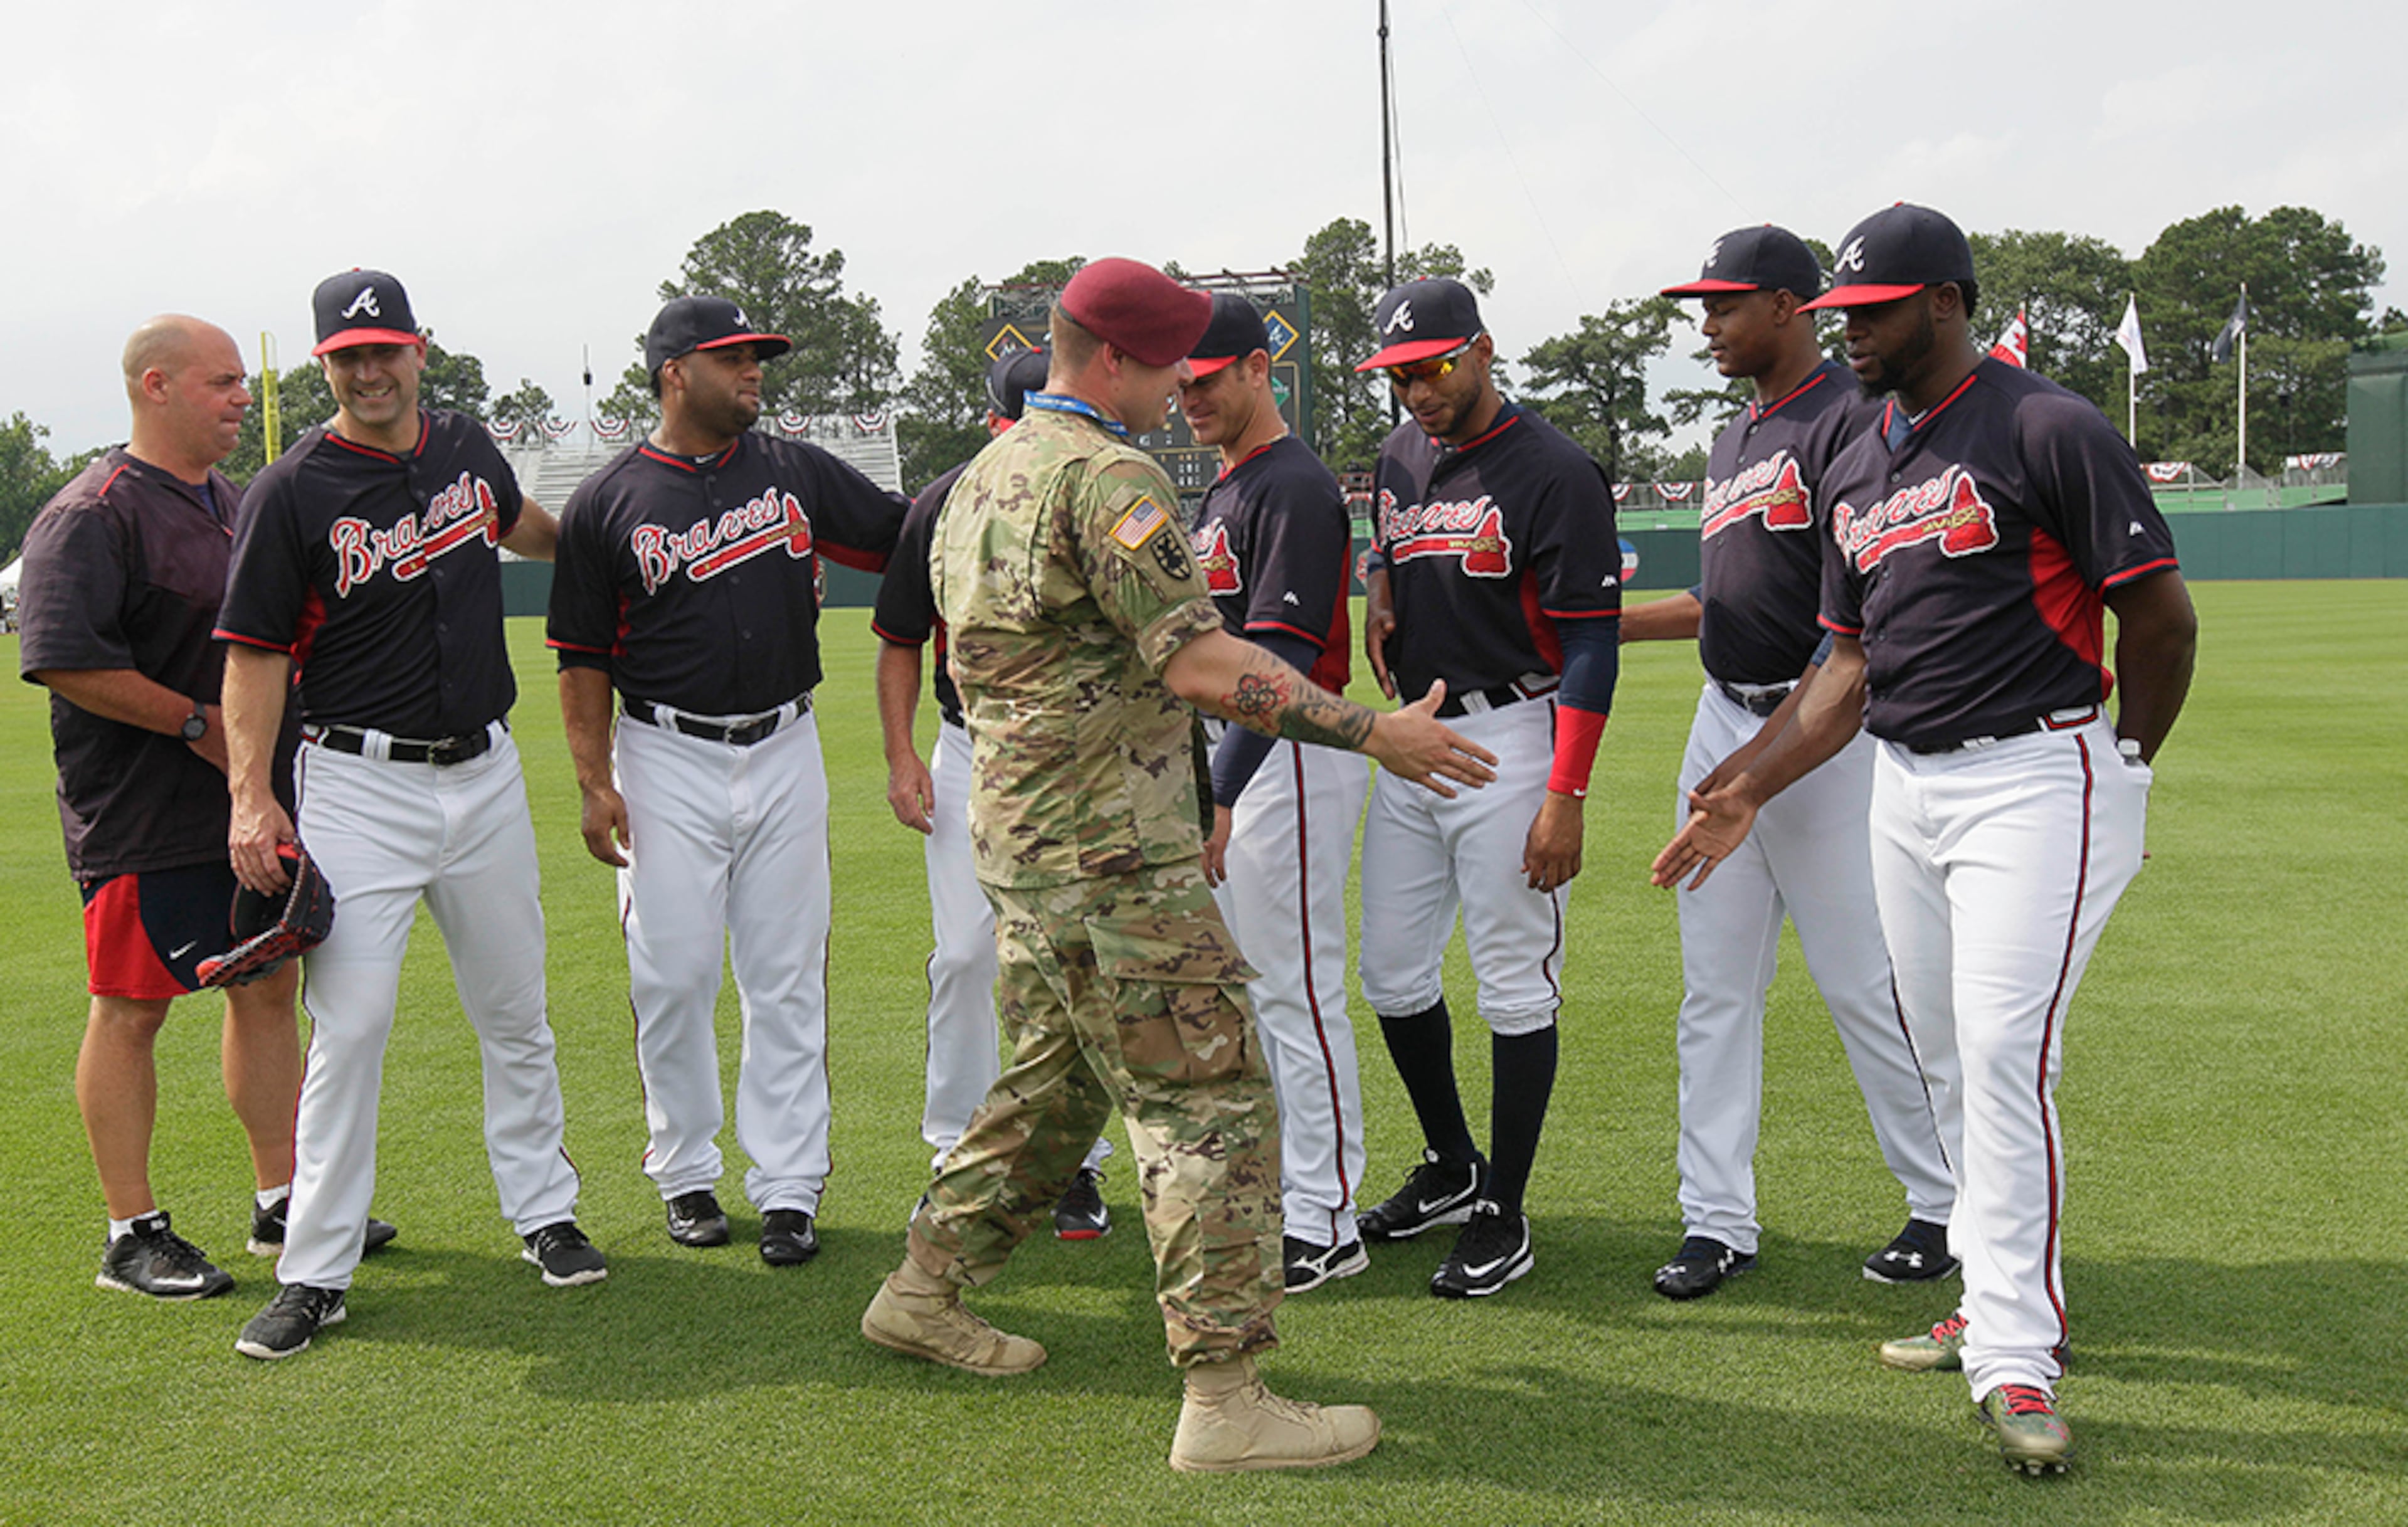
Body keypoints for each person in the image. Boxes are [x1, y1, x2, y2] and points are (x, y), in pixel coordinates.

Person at [857, 257, 1495, 1472]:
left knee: (1055, 1090)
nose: (1179, 389)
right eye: (1168, 367)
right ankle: (1226, 1394)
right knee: (1210, 1100)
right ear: (1112, 362)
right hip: (1112, 855)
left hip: (1023, 847)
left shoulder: (985, 472)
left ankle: (924, 1289)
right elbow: (1201, 665)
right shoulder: (1110, 478)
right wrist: (1377, 731)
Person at [1653, 203, 2197, 1474]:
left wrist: (2122, 768)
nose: (1853, 334)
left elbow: (2160, 621)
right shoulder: (1862, 458)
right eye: (1841, 312)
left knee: (2006, 1053)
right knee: (1945, 1052)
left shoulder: (2048, 424)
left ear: (1946, 301)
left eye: (1876, 311)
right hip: (1902, 779)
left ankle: (2017, 1350)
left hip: (2035, 766)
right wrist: (1749, 781)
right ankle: (1986, 1287)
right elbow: (1845, 664)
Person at [219, 270, 601, 1361]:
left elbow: (529, 528)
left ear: (420, 349)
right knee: (353, 1028)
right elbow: (248, 656)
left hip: (483, 774)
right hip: (357, 783)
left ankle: (544, 1213)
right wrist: (253, 795)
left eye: (384, 349)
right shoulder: (290, 489)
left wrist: (630, 548)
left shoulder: (466, 448)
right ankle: (316, 1271)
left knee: (515, 1008)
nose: (369, 370)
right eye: (346, 357)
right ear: (322, 368)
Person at [18, 315, 393, 1300]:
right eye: (224, 383)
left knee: (263, 986)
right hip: (142, 813)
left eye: (240, 383)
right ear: (156, 386)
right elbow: (63, 657)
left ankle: (285, 1199)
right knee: (132, 1008)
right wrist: (200, 727)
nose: (241, 398)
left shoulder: (234, 500)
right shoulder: (92, 513)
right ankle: (131, 1232)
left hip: (253, 799)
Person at [1630, 227, 1955, 1299]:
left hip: (1824, 737)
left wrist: (1766, 765)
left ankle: (1942, 1204)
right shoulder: (1735, 438)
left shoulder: (1851, 424)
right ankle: (1716, 1220)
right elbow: (1726, 602)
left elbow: (1848, 627)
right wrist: (1607, 625)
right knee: (1714, 990)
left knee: (1868, 981)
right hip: (1724, 716)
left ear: (1786, 306)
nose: (1708, 326)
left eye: (1724, 307)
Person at [550, 295, 904, 1264]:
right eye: (734, 358)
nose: (755, 372)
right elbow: (580, 658)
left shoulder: (792, 469)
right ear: (676, 373)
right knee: (673, 974)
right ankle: (687, 1174)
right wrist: (594, 779)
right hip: (662, 755)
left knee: (786, 974)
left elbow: (897, 538)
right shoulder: (609, 500)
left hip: (787, 741)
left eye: (758, 358)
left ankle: (789, 1186)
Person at [1351, 276, 1623, 1298]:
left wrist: (1568, 793)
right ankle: (1454, 1164)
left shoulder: (1552, 469)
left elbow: (1594, 646)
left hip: (1514, 733)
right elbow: (1389, 540)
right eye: (1398, 375)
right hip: (1416, 740)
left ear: (1482, 350)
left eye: (1432, 368)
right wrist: (1381, 588)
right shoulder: (1400, 454)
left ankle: (1505, 1211)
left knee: (1514, 983)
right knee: (1391, 972)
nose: (1416, 391)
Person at [871, 347, 1115, 1239]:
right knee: (968, 957)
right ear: (994, 424)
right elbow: (899, 636)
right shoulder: (944, 502)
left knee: (1072, 958)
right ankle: (955, 1154)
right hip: (970, 751)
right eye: (1020, 420)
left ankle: (1077, 1164)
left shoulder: (1098, 490)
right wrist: (901, 758)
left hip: (1079, 755)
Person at [1177, 293, 1373, 1294]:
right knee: (1257, 993)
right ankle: (1294, 1193)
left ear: (1260, 368)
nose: (1189, 396)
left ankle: (1330, 1213)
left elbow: (1285, 657)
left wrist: (1221, 790)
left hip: (1289, 752)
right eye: (1178, 381)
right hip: (1248, 755)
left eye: (1207, 378)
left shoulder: (1291, 485)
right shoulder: (1229, 485)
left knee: (1297, 988)